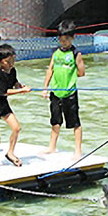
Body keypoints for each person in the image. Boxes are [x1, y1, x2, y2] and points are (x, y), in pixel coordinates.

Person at [42, 20, 85, 158]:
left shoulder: (76, 53)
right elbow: (50, 69)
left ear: (73, 38)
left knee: (75, 122)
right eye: (61, 39)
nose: (63, 42)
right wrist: (45, 87)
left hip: (70, 93)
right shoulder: (56, 52)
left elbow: (81, 72)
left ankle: (77, 150)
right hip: (55, 92)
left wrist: (70, 76)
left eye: (66, 39)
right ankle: (51, 147)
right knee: (55, 120)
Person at [0, 43, 30, 166]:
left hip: (3, 104)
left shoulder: (12, 70)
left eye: (13, 60)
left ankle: (10, 153)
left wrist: (20, 86)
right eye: (8, 61)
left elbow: (14, 82)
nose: (11, 64)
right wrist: (21, 91)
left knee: (16, 128)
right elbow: (4, 92)